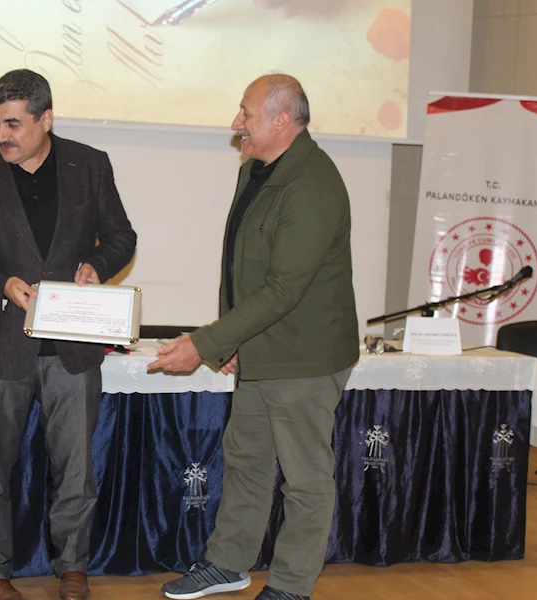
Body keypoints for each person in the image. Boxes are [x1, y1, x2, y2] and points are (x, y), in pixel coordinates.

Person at [149, 74, 358, 600]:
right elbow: (242, 268)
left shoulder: (312, 185)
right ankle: (228, 564)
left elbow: (285, 288)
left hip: (304, 358)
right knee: (246, 462)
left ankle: (291, 585)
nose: (235, 122)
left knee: (305, 479)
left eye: (246, 113)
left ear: (281, 121)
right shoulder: (256, 171)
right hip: (262, 350)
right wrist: (232, 340)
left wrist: (206, 343)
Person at [0, 69, 136, 600]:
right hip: (2, 342)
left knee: (76, 468)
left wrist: (97, 265)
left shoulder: (89, 164)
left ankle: (72, 566)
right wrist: (0, 284)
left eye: (13, 124)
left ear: (45, 119)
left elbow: (121, 235)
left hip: (74, 346)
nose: (1, 135)